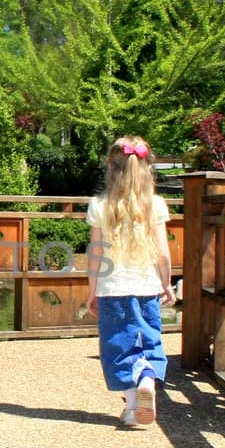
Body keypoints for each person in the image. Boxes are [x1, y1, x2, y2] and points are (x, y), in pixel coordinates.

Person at [84, 135, 175, 427]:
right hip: (147, 289)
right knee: (148, 339)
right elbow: (163, 253)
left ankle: (134, 406)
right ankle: (148, 378)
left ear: (111, 167)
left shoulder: (99, 205)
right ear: (147, 167)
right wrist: (167, 283)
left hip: (112, 291)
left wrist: (91, 292)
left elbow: (96, 256)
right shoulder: (156, 205)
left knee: (117, 345)